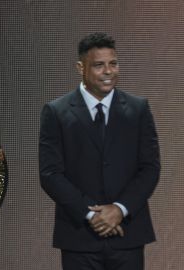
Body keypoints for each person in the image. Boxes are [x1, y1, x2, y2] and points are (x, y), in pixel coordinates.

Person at [39, 32, 160, 270]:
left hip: (128, 233)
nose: (108, 71)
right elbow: (50, 174)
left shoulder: (138, 109)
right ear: (80, 67)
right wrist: (91, 215)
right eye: (98, 65)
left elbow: (150, 168)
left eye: (113, 64)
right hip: (79, 236)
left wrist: (119, 209)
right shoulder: (56, 112)